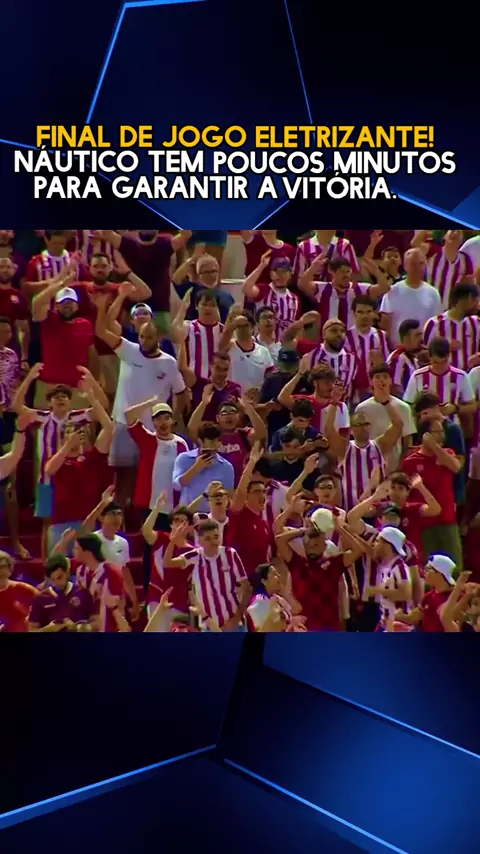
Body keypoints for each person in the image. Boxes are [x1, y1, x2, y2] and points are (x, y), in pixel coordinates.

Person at [95, 299, 187, 505]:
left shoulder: (168, 362)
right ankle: (119, 521)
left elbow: (181, 392)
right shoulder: (128, 349)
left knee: (145, 480)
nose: (144, 341)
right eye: (142, 336)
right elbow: (101, 331)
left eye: (149, 337)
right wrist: (101, 307)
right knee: (121, 482)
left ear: (159, 338)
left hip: (153, 431)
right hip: (124, 425)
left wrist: (174, 418)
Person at [44, 389, 114, 555]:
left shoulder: (92, 457)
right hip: (61, 524)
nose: (76, 435)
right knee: (59, 566)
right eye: (71, 432)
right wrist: (68, 445)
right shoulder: (58, 459)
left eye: (79, 432)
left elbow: (109, 429)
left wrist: (92, 400)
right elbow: (49, 470)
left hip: (88, 522)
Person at [275, 514, 364, 631]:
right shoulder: (297, 563)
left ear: (325, 546)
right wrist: (303, 531)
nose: (311, 549)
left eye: (316, 545)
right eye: (308, 546)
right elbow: (279, 540)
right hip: (304, 629)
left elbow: (358, 550)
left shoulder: (334, 563)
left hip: (329, 628)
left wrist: (339, 529)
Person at [94, 229, 192, 334]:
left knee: (159, 343)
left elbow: (186, 234)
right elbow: (107, 233)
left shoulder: (165, 245)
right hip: (133, 311)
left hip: (158, 310)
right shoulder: (128, 244)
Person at [162, 519, 250, 632]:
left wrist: (235, 619)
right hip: (209, 626)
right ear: (200, 541)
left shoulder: (230, 554)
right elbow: (167, 563)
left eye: (216, 537)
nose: (213, 542)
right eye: (208, 539)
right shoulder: (195, 556)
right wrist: (172, 542)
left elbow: (247, 588)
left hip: (235, 624)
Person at [324, 387, 403, 509]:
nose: (363, 427)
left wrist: (386, 403)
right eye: (359, 424)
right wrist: (334, 404)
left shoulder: (380, 445)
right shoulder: (345, 448)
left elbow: (398, 425)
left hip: (378, 510)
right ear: (351, 430)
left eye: (366, 424)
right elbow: (329, 430)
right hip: (352, 509)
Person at [401, 419, 462, 569]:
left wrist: (435, 446)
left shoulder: (446, 454)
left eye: (442, 432)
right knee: (429, 567)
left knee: (454, 566)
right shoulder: (410, 462)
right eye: (437, 432)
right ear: (425, 435)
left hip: (447, 519)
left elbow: (456, 467)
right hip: (424, 523)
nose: (442, 436)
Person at [32, 276, 97, 409]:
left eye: (71, 302)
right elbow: (37, 303)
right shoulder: (49, 320)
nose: (67, 305)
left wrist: (94, 381)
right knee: (43, 422)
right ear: (56, 306)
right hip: (48, 385)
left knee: (79, 422)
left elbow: (91, 353)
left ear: (77, 305)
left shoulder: (86, 324)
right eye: (63, 302)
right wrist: (60, 284)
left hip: (76, 387)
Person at [125, 398, 189, 512]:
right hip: (147, 504)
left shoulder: (181, 444)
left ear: (172, 421)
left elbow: (185, 473)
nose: (163, 422)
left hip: (173, 506)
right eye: (158, 419)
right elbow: (128, 415)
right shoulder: (147, 439)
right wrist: (150, 403)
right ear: (153, 422)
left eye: (167, 418)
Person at [189, 392, 265, 486]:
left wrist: (249, 408)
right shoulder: (210, 435)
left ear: (238, 416)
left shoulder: (245, 434)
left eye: (232, 412)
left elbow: (261, 433)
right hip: (214, 488)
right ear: (217, 418)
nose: (229, 415)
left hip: (240, 487)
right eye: (224, 413)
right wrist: (203, 403)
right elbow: (192, 429)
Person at [298, 255, 387, 334]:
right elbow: (302, 285)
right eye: (342, 271)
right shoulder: (323, 288)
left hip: (352, 338)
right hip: (329, 337)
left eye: (348, 271)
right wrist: (312, 269)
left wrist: (376, 272)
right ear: (332, 272)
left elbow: (384, 288)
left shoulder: (359, 288)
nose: (346, 275)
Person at [142, 500, 196, 627]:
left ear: (189, 527)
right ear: (171, 524)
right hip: (156, 598)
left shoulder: (193, 551)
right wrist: (156, 509)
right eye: (176, 520)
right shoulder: (160, 538)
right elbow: (146, 531)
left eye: (184, 521)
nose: (180, 524)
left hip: (179, 603)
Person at [355, 363, 416, 472]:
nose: (381, 380)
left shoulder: (403, 407)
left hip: (394, 465)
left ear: (390, 380)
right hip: (369, 464)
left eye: (385, 377)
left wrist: (400, 467)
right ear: (371, 381)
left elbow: (407, 442)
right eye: (377, 377)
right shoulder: (362, 408)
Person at [379, 248, 442, 346]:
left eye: (421, 263)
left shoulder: (433, 293)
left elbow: (436, 324)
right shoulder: (393, 291)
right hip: (397, 348)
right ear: (405, 266)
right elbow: (385, 323)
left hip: (424, 348)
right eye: (413, 264)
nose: (417, 268)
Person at [226, 447, 272, 581]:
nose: (262, 495)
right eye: (257, 492)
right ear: (247, 496)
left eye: (263, 492)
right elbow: (240, 491)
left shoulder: (264, 524)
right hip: (240, 580)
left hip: (259, 581)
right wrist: (252, 462)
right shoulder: (239, 515)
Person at [70, 532, 130, 632]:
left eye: (76, 548)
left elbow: (118, 605)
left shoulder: (111, 572)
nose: (73, 551)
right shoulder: (80, 570)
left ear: (87, 553)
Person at [404, 337, 475, 416]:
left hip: (451, 423)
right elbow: (407, 405)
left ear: (449, 356)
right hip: (425, 423)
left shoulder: (460, 376)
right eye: (436, 362)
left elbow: (472, 406)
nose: (440, 366)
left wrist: (455, 408)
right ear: (429, 357)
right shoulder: (417, 376)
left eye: (444, 361)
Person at [172, 423, 235, 512]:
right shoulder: (184, 458)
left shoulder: (226, 467)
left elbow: (229, 496)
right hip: (188, 513)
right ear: (201, 441)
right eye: (212, 441)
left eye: (218, 441)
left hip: (212, 515)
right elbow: (177, 485)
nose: (216, 444)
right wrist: (197, 467)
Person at [28, 554, 96, 632]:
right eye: (53, 579)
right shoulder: (40, 598)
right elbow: (31, 631)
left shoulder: (83, 593)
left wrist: (77, 627)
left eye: (60, 577)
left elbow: (97, 623)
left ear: (67, 572)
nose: (56, 583)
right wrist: (49, 629)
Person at [278, 362, 350, 435]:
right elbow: (282, 398)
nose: (331, 387)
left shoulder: (340, 406)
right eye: (326, 383)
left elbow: (344, 435)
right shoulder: (304, 402)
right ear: (315, 383)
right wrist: (299, 374)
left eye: (332, 383)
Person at [423, 282, 480, 372]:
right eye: (476, 301)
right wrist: (442, 349)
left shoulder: (476, 322)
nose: (477, 306)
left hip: (471, 377)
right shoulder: (434, 324)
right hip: (443, 377)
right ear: (469, 298)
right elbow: (423, 355)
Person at [365, 527, 412, 630]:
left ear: (387, 545)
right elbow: (366, 550)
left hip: (397, 627)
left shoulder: (399, 568)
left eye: (377, 541)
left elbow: (406, 594)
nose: (373, 544)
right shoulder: (386, 565)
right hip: (384, 624)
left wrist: (377, 591)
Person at [218, 309, 274, 394]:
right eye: (239, 326)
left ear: (252, 327)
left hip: (255, 399)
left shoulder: (263, 352)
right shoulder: (229, 348)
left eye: (245, 325)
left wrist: (261, 391)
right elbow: (222, 342)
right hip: (232, 398)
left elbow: (270, 378)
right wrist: (232, 323)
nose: (242, 329)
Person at [242, 253, 300, 336]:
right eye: (277, 271)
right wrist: (262, 266)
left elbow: (296, 327)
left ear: (290, 274)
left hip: (284, 342)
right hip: (262, 342)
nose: (280, 275)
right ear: (271, 274)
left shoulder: (295, 299)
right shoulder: (264, 290)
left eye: (284, 272)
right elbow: (245, 289)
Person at [345, 295, 390, 401]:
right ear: (354, 314)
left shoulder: (381, 335)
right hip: (354, 392)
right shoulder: (347, 337)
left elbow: (386, 362)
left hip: (377, 390)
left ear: (374, 313)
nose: (365, 316)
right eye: (360, 312)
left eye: (368, 312)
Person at [300, 319, 357, 402]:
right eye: (334, 330)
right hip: (316, 406)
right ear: (324, 334)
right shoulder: (311, 355)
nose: (339, 334)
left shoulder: (352, 359)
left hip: (341, 406)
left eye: (342, 331)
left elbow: (351, 387)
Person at [174, 252, 234, 323]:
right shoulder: (192, 289)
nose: (213, 275)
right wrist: (193, 259)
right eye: (208, 271)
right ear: (198, 274)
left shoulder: (227, 296)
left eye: (215, 271)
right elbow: (176, 279)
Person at [425, 229, 474, 309]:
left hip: (450, 310)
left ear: (462, 240)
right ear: (445, 236)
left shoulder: (465, 260)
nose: (455, 233)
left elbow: (469, 285)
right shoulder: (432, 250)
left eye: (459, 232)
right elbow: (414, 243)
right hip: (429, 306)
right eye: (452, 230)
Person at [246, 563, 302, 632]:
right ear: (264, 581)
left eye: (278, 573)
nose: (279, 576)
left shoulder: (277, 598)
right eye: (274, 574)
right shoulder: (259, 602)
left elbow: (290, 617)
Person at [294, 230, 359, 282]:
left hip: (339, 291)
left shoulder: (345, 245)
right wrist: (311, 270)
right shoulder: (303, 246)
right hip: (310, 290)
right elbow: (298, 279)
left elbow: (354, 277)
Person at [0, 257, 30, 368]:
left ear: (14, 270)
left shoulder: (19, 296)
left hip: (11, 351)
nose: (4, 270)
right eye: (1, 267)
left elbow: (23, 329)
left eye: (8, 267)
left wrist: (24, 357)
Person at [0, 551, 38, 632]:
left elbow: (44, 607)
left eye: (2, 566)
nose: (0, 571)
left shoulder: (24, 589)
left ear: (10, 568)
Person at [387, 318, 423, 395]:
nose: (421, 339)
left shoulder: (413, 358)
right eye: (417, 336)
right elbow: (394, 389)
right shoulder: (398, 359)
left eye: (421, 335)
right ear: (406, 339)